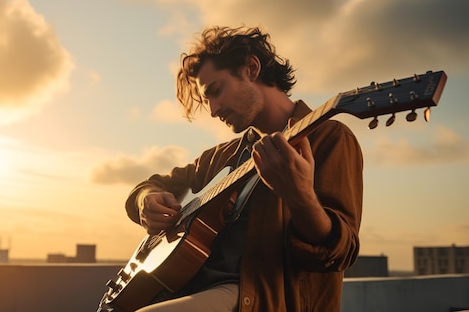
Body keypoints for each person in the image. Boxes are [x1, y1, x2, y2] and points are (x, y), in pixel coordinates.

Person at [125, 26, 363, 311]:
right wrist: (145, 201)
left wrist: (300, 197)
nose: (212, 110)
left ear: (251, 68)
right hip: (190, 290)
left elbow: (339, 254)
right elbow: (149, 186)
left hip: (261, 299)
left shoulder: (328, 137)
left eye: (216, 90)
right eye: (207, 99)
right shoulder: (220, 157)